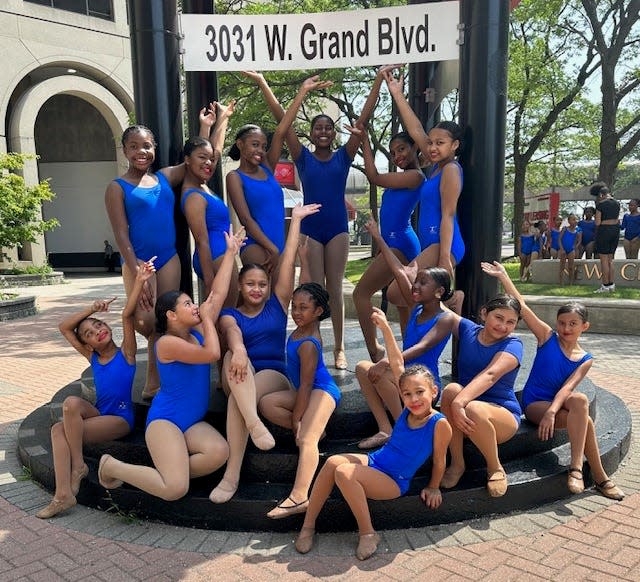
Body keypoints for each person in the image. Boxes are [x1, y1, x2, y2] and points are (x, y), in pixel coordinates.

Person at [245, 67, 387, 370]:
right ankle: (315, 342)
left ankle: (338, 346)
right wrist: (264, 82)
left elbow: (362, 119)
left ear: (334, 134)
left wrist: (377, 80)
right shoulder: (302, 156)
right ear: (311, 133)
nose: (323, 132)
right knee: (313, 288)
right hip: (310, 228)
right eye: (317, 128)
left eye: (328, 128)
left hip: (336, 228)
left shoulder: (343, 156)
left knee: (334, 288)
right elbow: (282, 119)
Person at [97, 229, 245, 501]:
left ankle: (169, 471)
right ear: (171, 315)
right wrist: (209, 320)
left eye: (192, 303)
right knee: (175, 490)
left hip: (191, 423)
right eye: (187, 304)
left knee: (219, 452)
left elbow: (218, 293)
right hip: (166, 422)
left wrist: (231, 254)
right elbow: (212, 353)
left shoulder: (198, 328)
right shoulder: (166, 344)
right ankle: (113, 466)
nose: (194, 307)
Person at [294, 309, 451, 561]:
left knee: (344, 472)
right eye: (407, 394)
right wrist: (386, 330)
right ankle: (308, 524)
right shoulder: (406, 409)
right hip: (377, 462)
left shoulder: (438, 423)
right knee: (333, 461)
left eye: (420, 392)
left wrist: (433, 487)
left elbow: (441, 459)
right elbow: (398, 364)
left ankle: (368, 533)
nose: (413, 398)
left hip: (394, 479)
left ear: (434, 391)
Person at [482, 261, 625, 501]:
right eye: (562, 323)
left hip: (557, 405)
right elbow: (523, 307)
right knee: (585, 419)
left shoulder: (585, 359)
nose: (566, 328)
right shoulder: (548, 338)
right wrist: (505, 277)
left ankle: (578, 467)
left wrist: (553, 412)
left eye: (573, 324)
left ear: (584, 326)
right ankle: (598, 477)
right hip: (536, 403)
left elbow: (568, 388)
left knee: (580, 401)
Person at [210, 203, 320, 504]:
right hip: (239, 369)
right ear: (240, 286)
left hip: (272, 375)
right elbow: (232, 334)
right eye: (250, 284)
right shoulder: (231, 314)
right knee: (235, 362)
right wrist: (241, 349)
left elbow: (287, 264)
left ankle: (231, 476)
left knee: (237, 397)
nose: (257, 289)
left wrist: (295, 221)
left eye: (262, 284)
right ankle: (253, 424)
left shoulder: (278, 305)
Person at [36, 259, 156, 519]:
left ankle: (71, 480)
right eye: (90, 333)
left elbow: (126, 313)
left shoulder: (126, 353)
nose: (97, 331)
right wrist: (91, 308)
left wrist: (139, 281)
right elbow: (64, 327)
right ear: (88, 345)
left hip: (120, 419)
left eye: (98, 324)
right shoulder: (92, 358)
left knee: (60, 428)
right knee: (67, 410)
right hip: (100, 414)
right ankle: (66, 490)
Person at [105, 115, 210, 398]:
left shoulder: (164, 177)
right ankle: (132, 375)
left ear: (155, 148)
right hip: (139, 264)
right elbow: (120, 233)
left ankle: (155, 382)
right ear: (125, 150)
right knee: (145, 322)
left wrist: (205, 127)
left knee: (167, 321)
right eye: (135, 146)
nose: (142, 151)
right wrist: (135, 266)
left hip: (169, 259)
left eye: (148, 146)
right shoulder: (117, 187)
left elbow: (197, 157)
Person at [355, 218, 455, 450]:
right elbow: (398, 269)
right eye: (416, 282)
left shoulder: (445, 318)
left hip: (425, 383)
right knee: (363, 369)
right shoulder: (416, 307)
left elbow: (421, 348)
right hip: (403, 371)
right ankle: (386, 429)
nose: (415, 286)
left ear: (439, 292)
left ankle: (405, 430)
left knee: (379, 372)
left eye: (423, 283)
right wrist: (378, 237)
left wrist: (386, 362)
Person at [227, 75, 331, 279]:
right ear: (240, 144)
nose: (260, 150)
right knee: (259, 301)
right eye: (254, 144)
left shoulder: (267, 167)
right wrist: (271, 249)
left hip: (279, 246)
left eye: (264, 146)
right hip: (257, 246)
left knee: (280, 305)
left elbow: (282, 128)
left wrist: (301, 91)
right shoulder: (234, 177)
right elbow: (246, 219)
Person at [382, 68, 465, 321]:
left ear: (455, 146)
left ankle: (452, 299)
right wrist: (397, 94)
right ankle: (443, 308)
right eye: (431, 142)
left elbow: (448, 215)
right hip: (431, 243)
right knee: (403, 292)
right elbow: (416, 127)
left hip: (443, 244)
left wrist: (444, 260)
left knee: (398, 290)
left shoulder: (450, 169)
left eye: (440, 143)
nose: (432, 147)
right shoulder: (435, 166)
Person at [259, 282, 341, 519]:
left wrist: (297, 419)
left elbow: (307, 385)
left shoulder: (308, 343)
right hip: (306, 390)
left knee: (305, 438)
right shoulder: (301, 329)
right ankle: (316, 430)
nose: (296, 312)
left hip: (322, 390)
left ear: (318, 311)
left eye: (303, 308)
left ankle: (299, 496)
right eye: (294, 306)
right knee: (267, 404)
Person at [347, 125, 423, 361]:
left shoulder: (415, 176)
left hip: (401, 244)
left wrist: (365, 141)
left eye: (402, 149)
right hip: (394, 244)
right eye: (392, 153)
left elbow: (374, 177)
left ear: (415, 148)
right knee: (401, 303)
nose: (397, 156)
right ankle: (407, 356)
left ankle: (376, 353)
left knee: (361, 294)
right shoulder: (406, 176)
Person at [439, 294, 523, 498]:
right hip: (465, 414)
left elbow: (491, 375)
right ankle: (457, 463)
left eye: (510, 322)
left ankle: (495, 468)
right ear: (484, 314)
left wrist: (460, 402)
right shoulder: (468, 330)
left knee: (471, 406)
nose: (503, 326)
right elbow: (440, 309)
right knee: (451, 390)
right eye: (499, 318)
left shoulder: (513, 345)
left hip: (501, 415)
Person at [181, 100, 236, 303]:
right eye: (202, 158)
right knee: (226, 315)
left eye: (210, 159)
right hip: (214, 257)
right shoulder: (194, 195)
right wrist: (211, 283)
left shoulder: (201, 185)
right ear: (187, 159)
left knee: (224, 318)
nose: (208, 162)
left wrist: (221, 118)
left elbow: (213, 150)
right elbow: (201, 242)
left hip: (219, 255)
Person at [591, 182, 620, 293]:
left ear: (601, 195)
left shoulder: (601, 204)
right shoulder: (617, 203)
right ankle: (611, 285)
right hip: (615, 230)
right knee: (610, 259)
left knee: (603, 260)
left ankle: (605, 285)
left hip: (605, 231)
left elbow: (597, 223)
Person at [558, 214, 581, 285]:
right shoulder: (565, 229)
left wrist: (575, 247)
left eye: (576, 219)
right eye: (573, 219)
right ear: (569, 221)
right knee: (562, 266)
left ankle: (571, 282)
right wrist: (562, 249)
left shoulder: (576, 231)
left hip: (571, 250)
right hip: (564, 249)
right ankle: (561, 282)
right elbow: (559, 239)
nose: (575, 221)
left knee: (571, 267)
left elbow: (578, 241)